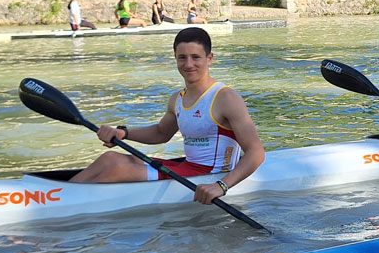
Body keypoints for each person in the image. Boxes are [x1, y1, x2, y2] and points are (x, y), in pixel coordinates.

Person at [69, 27, 265, 204]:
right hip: (189, 168)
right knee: (109, 159)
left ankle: (61, 203)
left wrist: (221, 186)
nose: (188, 64)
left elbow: (256, 152)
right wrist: (123, 133)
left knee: (117, 170)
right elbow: (161, 133)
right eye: (182, 57)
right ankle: (57, 196)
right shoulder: (177, 99)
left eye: (196, 57)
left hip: (213, 175)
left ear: (209, 58)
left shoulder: (226, 98)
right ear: (175, 59)